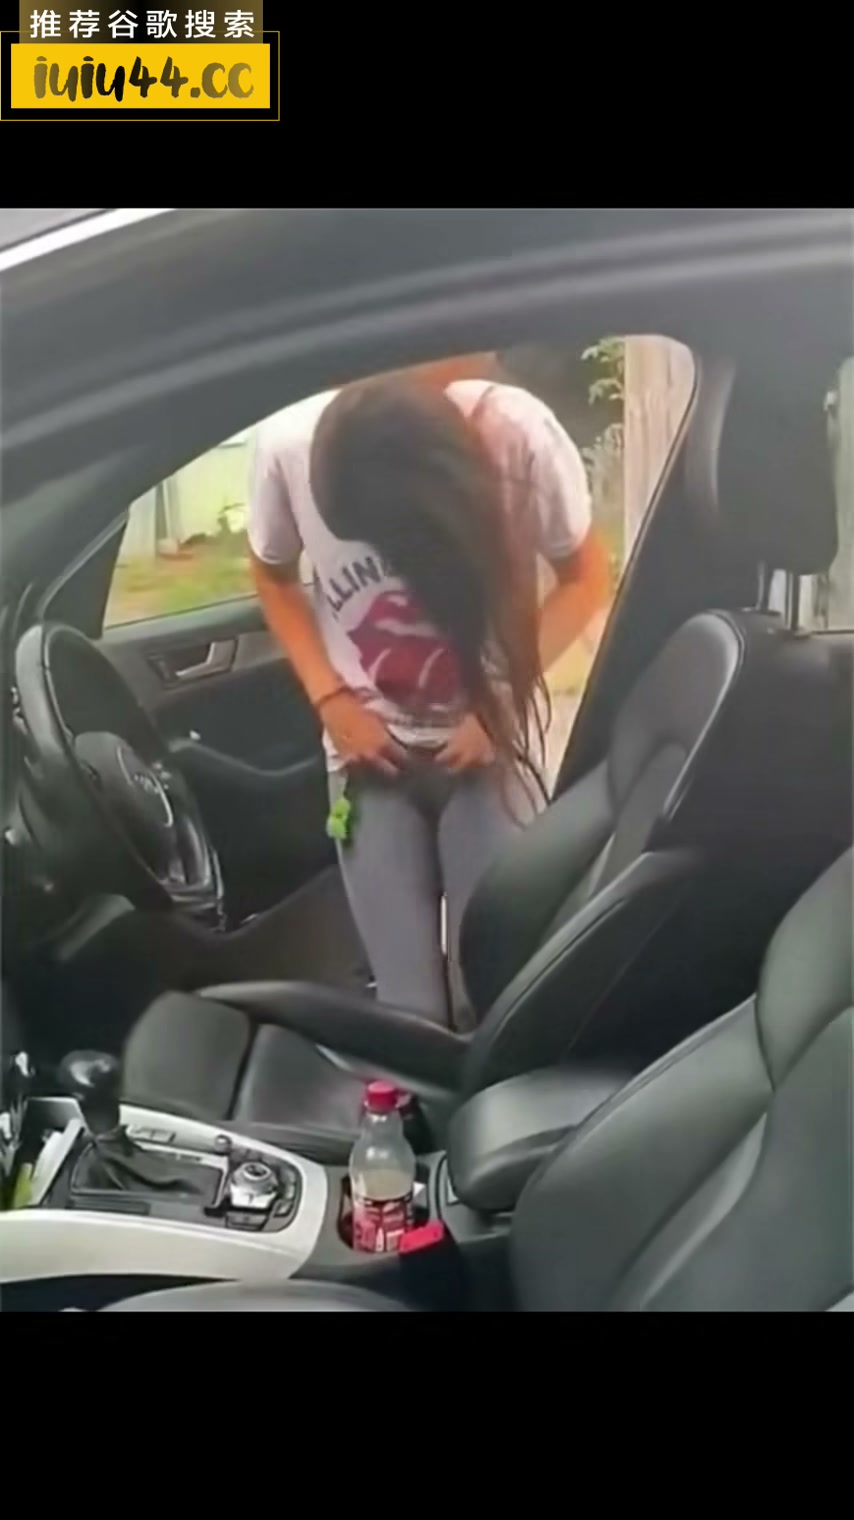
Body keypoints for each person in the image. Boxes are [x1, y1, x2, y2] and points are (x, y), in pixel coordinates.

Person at [249, 374, 610, 1027]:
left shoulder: (516, 437)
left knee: (491, 994)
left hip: (489, 751)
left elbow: (586, 576)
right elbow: (272, 575)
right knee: (406, 1009)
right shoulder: (287, 446)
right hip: (369, 761)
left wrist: (500, 699)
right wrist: (331, 699)